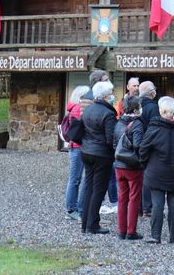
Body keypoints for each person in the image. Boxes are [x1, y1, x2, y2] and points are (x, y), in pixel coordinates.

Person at [139, 96, 174, 244]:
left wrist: (146, 165)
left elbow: (143, 150)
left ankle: (155, 236)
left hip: (155, 171)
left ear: (161, 111)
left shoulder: (154, 129)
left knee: (157, 204)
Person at [80, 80, 118, 234]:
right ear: (104, 96)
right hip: (101, 154)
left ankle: (85, 223)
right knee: (99, 189)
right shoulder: (108, 114)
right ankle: (93, 224)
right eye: (110, 94)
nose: (113, 97)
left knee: (89, 187)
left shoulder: (88, 109)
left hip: (86, 151)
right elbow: (111, 139)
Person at [114, 95, 144, 240]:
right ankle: (131, 231)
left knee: (122, 198)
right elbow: (138, 144)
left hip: (119, 164)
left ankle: (121, 230)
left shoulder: (118, 122)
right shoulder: (137, 124)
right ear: (136, 108)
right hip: (133, 166)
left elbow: (113, 143)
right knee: (134, 198)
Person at [64, 84, 89, 221]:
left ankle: (74, 208)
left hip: (75, 146)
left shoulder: (73, 108)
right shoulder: (79, 109)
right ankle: (72, 209)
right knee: (75, 179)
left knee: (75, 179)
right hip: (78, 147)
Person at [137, 80, 159, 217]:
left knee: (138, 176)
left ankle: (138, 207)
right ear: (151, 92)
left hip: (137, 144)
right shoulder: (153, 107)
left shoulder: (136, 104)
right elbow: (155, 128)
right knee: (148, 177)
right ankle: (147, 208)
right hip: (149, 145)